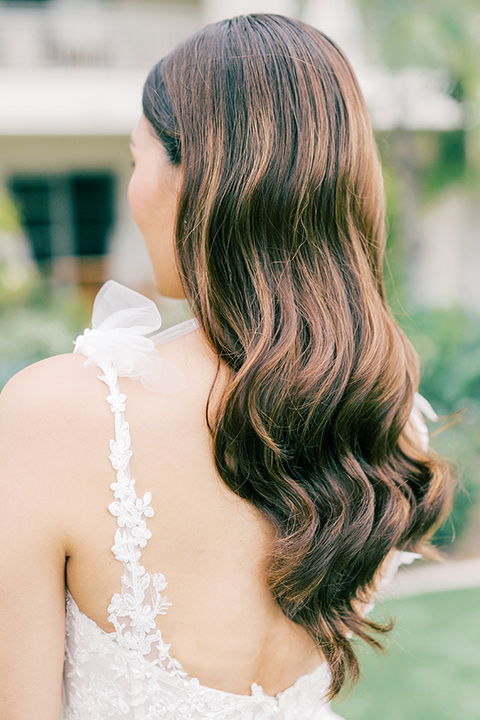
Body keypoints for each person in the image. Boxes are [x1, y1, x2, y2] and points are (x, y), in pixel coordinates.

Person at [0, 13, 454, 720]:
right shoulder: (388, 420)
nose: (133, 189)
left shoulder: (54, 415)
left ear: (198, 179)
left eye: (135, 157)